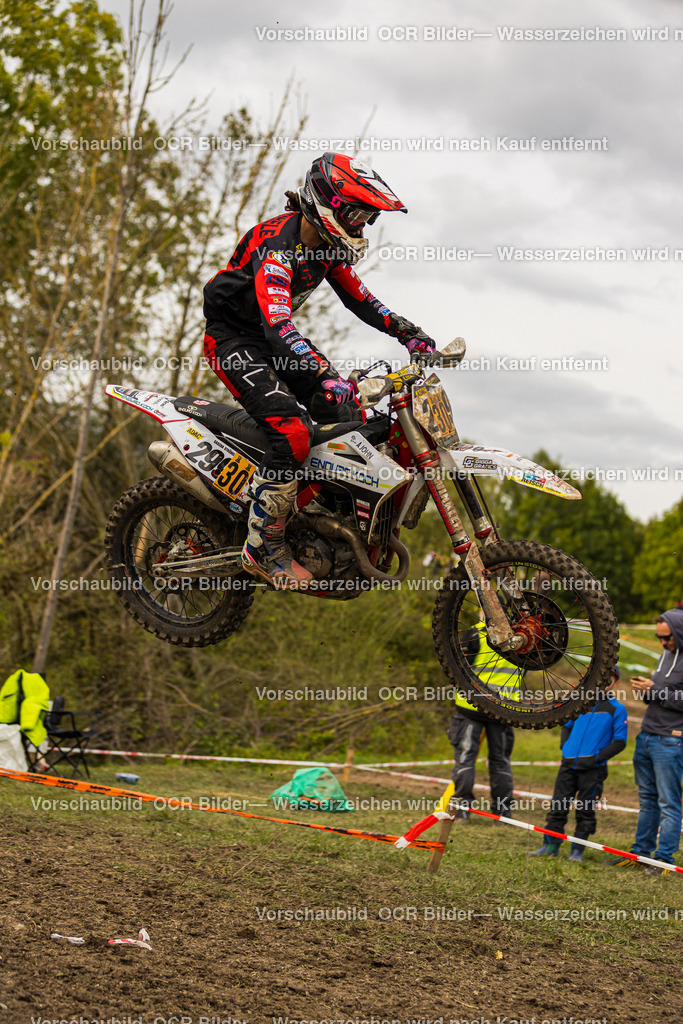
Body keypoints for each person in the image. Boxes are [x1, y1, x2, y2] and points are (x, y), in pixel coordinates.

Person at [202, 152, 436, 587]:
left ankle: (321, 519)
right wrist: (322, 371)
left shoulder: (327, 247)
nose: (362, 226)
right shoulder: (276, 246)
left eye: (368, 218)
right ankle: (262, 543)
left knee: (346, 416)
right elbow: (277, 323)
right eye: (357, 214)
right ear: (325, 203)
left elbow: (360, 299)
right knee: (292, 432)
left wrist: (409, 333)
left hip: (274, 339)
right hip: (233, 340)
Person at [611, 608, 683, 874]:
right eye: (659, 637)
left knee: (668, 802)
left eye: (668, 638)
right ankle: (640, 853)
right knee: (647, 799)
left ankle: (663, 860)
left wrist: (656, 690)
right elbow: (662, 695)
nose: (663, 643)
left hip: (671, 742)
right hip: (648, 735)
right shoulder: (665, 656)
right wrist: (648, 691)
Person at [530, 667, 627, 862]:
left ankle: (577, 851)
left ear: (615, 682)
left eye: (610, 678)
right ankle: (550, 846)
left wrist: (596, 759)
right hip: (568, 764)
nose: (605, 681)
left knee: (585, 810)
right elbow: (567, 726)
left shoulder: (617, 709)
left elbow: (620, 742)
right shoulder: (581, 702)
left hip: (593, 770)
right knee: (558, 805)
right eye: (602, 676)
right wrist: (565, 748)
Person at [447, 619, 521, 820]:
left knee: (466, 757)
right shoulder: (523, 636)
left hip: (471, 706)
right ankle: (503, 812)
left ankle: (462, 809)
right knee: (501, 761)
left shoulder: (476, 633)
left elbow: (458, 667)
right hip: (504, 708)